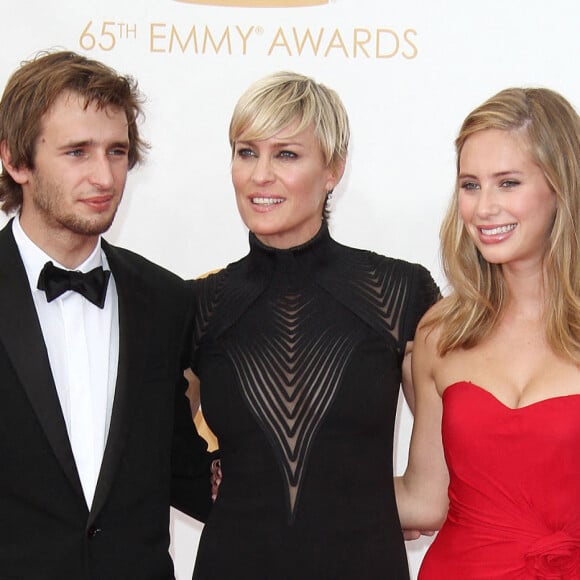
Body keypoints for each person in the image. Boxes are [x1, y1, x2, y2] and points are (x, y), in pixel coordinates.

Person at [187, 71, 440, 580]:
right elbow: (145, 453)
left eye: (286, 154)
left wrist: (362, 498)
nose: (260, 175)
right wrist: (209, 473)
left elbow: (455, 462)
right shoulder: (200, 303)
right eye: (245, 151)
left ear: (333, 169)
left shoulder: (399, 293)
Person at [0, 50, 213, 579]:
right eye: (77, 152)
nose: (104, 175)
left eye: (117, 151)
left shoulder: (165, 302)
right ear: (16, 162)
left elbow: (182, 469)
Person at [395, 87, 580, 578]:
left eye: (508, 183)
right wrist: (293, 483)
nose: (484, 208)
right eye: (470, 185)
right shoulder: (442, 330)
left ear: (561, 187)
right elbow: (422, 498)